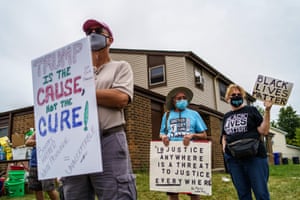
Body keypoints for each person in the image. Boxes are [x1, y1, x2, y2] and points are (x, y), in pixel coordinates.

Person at [62, 19, 137, 200]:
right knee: (74, 193)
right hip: (75, 144)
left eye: (97, 31)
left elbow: (121, 98)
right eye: (88, 33)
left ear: (109, 39)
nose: (92, 35)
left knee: (116, 194)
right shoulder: (74, 73)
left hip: (108, 139)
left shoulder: (120, 67)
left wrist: (81, 92)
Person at [221, 84, 272, 200]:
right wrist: (225, 151)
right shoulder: (226, 117)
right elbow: (224, 135)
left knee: (261, 193)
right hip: (234, 160)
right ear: (228, 98)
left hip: (255, 157)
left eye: (239, 95)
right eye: (233, 95)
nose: (236, 97)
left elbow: (264, 131)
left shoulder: (251, 110)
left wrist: (267, 110)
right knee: (243, 194)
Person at [160, 87, 208, 200]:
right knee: (172, 192)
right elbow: (161, 133)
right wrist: (164, 137)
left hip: (190, 157)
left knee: (194, 191)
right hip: (172, 157)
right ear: (173, 101)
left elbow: (204, 135)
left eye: (184, 98)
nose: (182, 100)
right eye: (179, 98)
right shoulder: (166, 115)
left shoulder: (194, 114)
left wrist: (192, 135)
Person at [25, 133, 59, 200]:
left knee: (49, 189)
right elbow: (27, 142)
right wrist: (39, 141)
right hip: (34, 164)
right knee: (37, 189)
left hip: (46, 164)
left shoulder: (51, 131)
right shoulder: (37, 131)